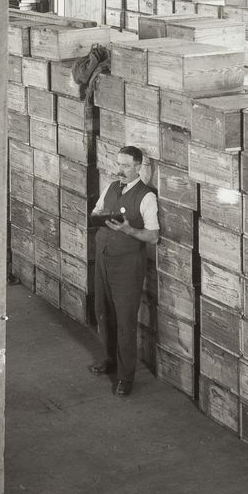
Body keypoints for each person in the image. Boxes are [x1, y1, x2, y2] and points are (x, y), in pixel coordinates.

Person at [88, 145, 159, 398]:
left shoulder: (146, 196)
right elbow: (97, 210)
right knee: (103, 312)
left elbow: (152, 237)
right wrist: (100, 215)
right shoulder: (110, 187)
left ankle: (125, 378)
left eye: (126, 165)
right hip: (105, 259)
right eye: (119, 164)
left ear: (139, 167)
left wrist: (128, 230)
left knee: (125, 319)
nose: (120, 170)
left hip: (127, 265)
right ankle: (110, 358)